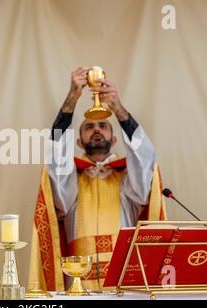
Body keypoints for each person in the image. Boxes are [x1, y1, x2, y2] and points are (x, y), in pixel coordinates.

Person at [28, 67, 166, 292]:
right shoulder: (71, 182)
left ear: (114, 140)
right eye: (89, 127)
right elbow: (56, 157)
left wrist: (117, 108)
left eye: (103, 126)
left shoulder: (128, 182)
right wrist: (72, 97)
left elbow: (145, 160)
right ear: (79, 142)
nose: (97, 130)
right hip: (79, 286)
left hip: (124, 285)